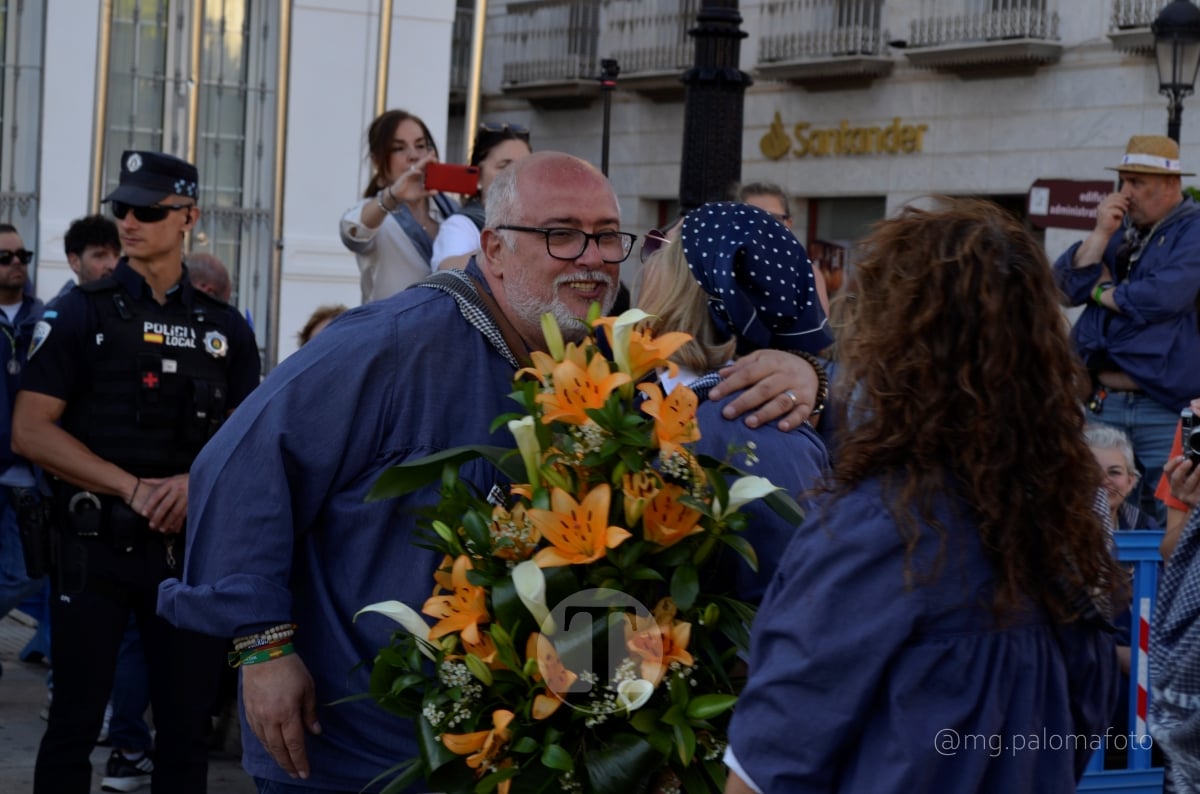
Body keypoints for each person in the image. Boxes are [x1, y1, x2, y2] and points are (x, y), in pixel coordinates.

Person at [157, 151, 824, 793]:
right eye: (561, 236)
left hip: (500, 759)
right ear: (494, 249)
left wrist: (810, 373)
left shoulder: (603, 356)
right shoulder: (390, 342)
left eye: (606, 238)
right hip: (352, 752)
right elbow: (237, 466)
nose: (592, 259)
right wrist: (264, 651)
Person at [725, 199, 1123, 793]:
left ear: (895, 346)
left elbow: (770, 764)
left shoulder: (875, 531)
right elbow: (1082, 729)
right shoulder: (1069, 523)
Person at [13, 149, 261, 794]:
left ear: (188, 218)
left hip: (185, 555)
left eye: (148, 211)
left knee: (183, 731)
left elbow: (243, 442)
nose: (129, 221)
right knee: (72, 722)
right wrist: (132, 486)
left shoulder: (225, 329)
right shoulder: (77, 313)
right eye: (122, 208)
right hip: (93, 548)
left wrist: (190, 486)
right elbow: (31, 430)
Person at [638, 201, 830, 601]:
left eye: (658, 247)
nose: (643, 263)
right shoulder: (642, 385)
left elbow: (790, 609)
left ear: (694, 284)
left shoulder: (756, 429)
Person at [1053, 134, 1200, 522]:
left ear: (1169, 185)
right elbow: (1064, 286)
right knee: (1089, 506)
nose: (1125, 192)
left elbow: (1163, 298)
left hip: (1164, 406)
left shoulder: (1194, 231)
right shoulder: (1119, 230)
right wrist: (1101, 233)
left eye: (1137, 182)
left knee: (1164, 513)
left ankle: (1154, 587)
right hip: (1103, 401)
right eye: (1123, 181)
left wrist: (1101, 290)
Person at [340, 109, 458, 303]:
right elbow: (351, 233)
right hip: (392, 330)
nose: (413, 156)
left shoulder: (451, 210)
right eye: (399, 148)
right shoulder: (376, 213)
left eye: (420, 145)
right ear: (377, 160)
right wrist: (391, 197)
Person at [0, 226, 45, 677]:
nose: (16, 262)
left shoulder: (43, 318)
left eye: (22, 254)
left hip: (26, 472)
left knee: (27, 573)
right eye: (5, 256)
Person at [431, 122, 532, 270]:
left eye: (525, 166)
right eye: (504, 166)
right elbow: (448, 270)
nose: (516, 175)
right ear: (478, 177)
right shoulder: (462, 225)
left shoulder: (540, 222)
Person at [731, 181, 830, 315]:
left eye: (773, 218)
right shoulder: (721, 268)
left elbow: (820, 330)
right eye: (752, 217)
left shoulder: (807, 274)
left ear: (788, 224)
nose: (763, 226)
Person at [1086, 423, 1158, 531]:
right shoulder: (1058, 527)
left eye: (1114, 472)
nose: (1104, 481)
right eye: (1093, 471)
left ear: (1130, 481)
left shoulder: (1145, 527)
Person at [57, 213, 121, 300]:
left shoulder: (128, 304)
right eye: (100, 256)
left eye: (116, 255)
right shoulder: (63, 310)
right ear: (75, 262)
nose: (113, 265)